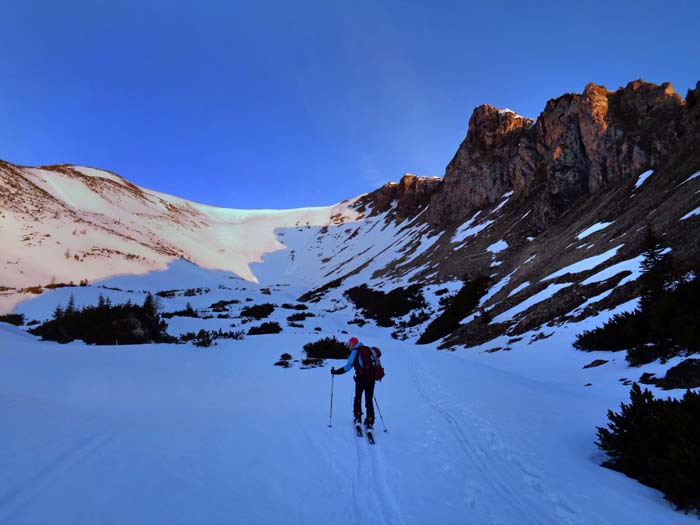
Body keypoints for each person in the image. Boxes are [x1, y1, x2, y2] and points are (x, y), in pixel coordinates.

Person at [331, 337, 375, 429]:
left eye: (350, 344)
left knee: (358, 398)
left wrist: (336, 372)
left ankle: (358, 417)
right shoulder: (367, 350)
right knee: (369, 400)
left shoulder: (355, 352)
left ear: (354, 344)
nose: (348, 345)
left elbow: (348, 367)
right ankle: (370, 420)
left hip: (361, 379)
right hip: (371, 379)